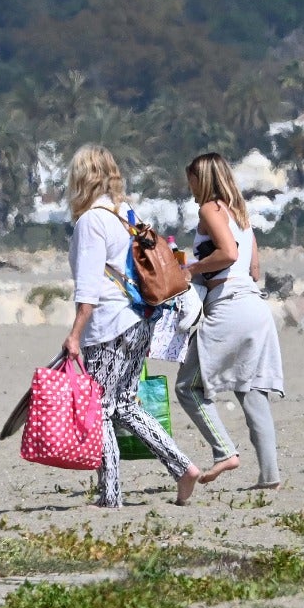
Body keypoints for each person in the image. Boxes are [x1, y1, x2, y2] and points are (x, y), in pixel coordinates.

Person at [62, 144, 201, 507]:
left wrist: (75, 333)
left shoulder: (91, 221)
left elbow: (88, 287)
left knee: (101, 409)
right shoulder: (125, 214)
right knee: (123, 403)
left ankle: (110, 495)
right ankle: (182, 466)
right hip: (141, 320)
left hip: (108, 324)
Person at [176, 152, 286, 489]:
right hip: (255, 307)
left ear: (203, 178)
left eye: (191, 179)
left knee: (187, 387)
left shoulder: (209, 209)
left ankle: (224, 452)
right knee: (252, 393)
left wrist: (190, 269)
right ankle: (270, 477)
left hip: (229, 307)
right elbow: (253, 268)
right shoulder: (240, 213)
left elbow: (229, 253)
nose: (189, 186)